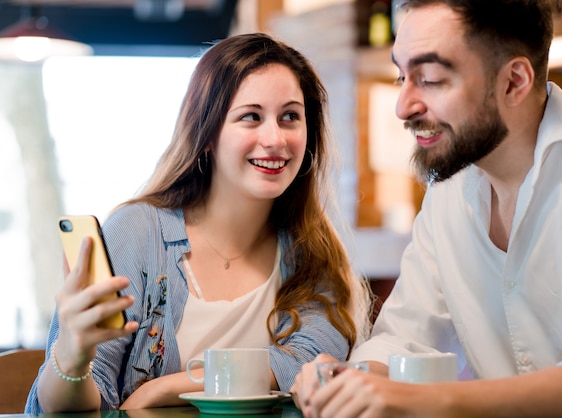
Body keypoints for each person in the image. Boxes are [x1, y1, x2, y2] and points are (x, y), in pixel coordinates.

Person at [291, 1, 562, 417]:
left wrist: (429, 400)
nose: (403, 106)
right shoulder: (447, 193)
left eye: (430, 79)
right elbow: (404, 338)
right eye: (402, 77)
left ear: (513, 81)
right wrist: (350, 380)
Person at [25, 32, 371, 413]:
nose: (275, 138)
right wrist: (72, 357)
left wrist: (169, 387)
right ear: (206, 134)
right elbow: (72, 406)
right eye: (250, 117)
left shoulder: (314, 250)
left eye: (290, 116)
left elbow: (309, 362)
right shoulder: (137, 233)